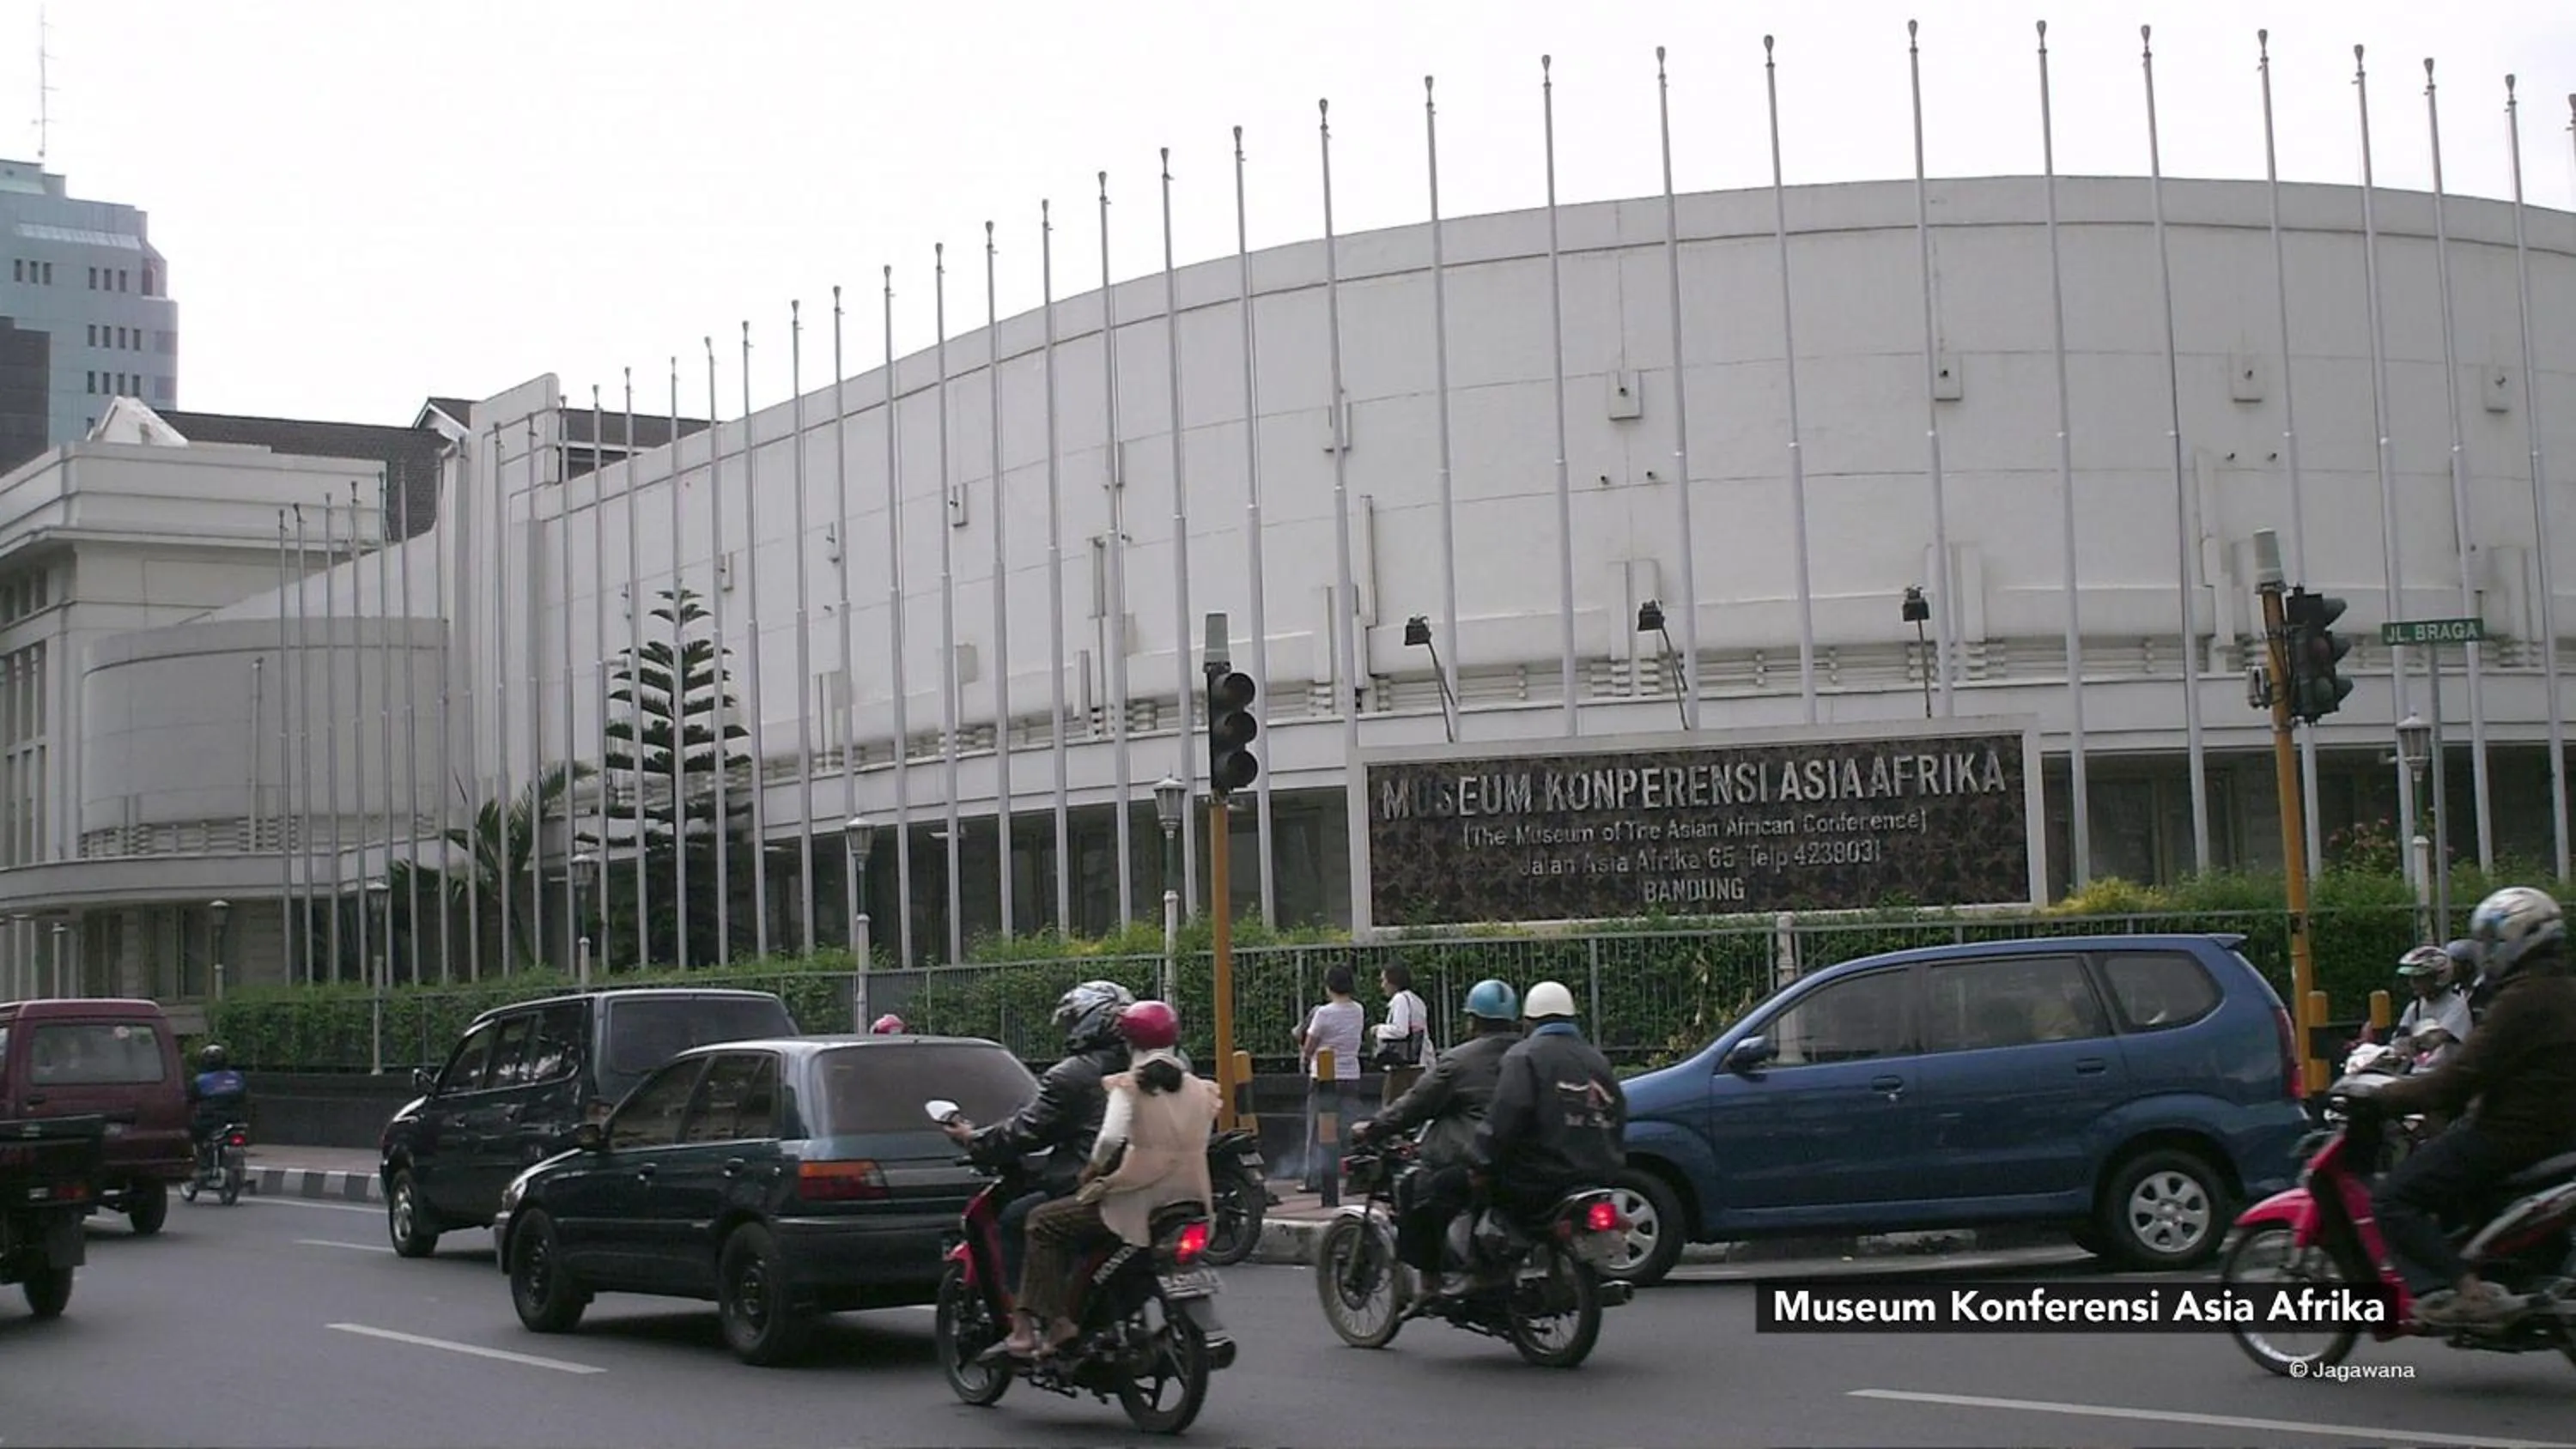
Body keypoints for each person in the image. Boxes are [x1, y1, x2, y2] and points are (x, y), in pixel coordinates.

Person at [2367, 886, 2576, 1327]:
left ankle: (2460, 1291)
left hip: (2508, 1134)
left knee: (2394, 1197)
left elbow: (2459, 1078)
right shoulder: (2563, 991)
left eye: (2490, 943)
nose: (2485, 954)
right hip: (2557, 1134)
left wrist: (2384, 1097)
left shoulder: (2521, 1001)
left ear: (2515, 941)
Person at [999, 1000, 1220, 1359]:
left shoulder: (1127, 1086)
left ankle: (1053, 1325)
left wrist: (1094, 1170)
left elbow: (1109, 1140)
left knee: (1042, 1221)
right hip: (1191, 1196)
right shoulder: (1202, 1089)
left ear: (1127, 1042)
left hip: (1136, 1200)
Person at [941, 979, 1133, 1296]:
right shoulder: (1161, 1066)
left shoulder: (1072, 1075)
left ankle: (1031, 1319)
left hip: (1093, 1187)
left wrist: (973, 1139)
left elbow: (1028, 1130)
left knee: (1017, 1220)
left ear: (1091, 1021)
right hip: (1154, 1186)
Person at [1350, 979, 1521, 1288]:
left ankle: (1431, 1281)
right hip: (1525, 1159)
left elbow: (1415, 1105)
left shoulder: (1460, 1060)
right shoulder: (1528, 1054)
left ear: (1473, 1020)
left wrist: (1374, 1128)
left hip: (1478, 1159)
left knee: (1419, 1189)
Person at [1466, 979, 1628, 1244]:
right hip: (1599, 1178)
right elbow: (1619, 1114)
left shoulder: (1524, 1056)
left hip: (1541, 1181)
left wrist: (1480, 1158)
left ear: (1529, 1020)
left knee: (1478, 1200)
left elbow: (1506, 1115)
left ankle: (1493, 1268)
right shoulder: (1597, 1060)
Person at [1294, 964, 1364, 1191]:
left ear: (1329, 986)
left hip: (1324, 1079)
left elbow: (1309, 1046)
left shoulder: (1323, 1013)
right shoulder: (1358, 1010)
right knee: (1350, 1128)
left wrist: (1304, 1050)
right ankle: (1357, 1176)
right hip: (1351, 1074)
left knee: (1317, 1131)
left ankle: (1314, 1179)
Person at [2391, 945, 2473, 1069]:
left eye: (2420, 978)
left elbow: (2435, 1038)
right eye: (2412, 978)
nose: (2413, 983)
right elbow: (2400, 1038)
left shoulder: (2456, 1005)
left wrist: (2412, 1044)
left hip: (2448, 1073)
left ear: (2439, 977)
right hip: (2419, 1072)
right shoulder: (2415, 1007)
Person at [1370, 964, 1437, 1105]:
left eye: (1384, 980)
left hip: (1403, 1067)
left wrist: (1378, 1029)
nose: (1382, 985)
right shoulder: (1416, 1000)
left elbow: (1401, 1030)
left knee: (1391, 1109)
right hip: (1420, 1062)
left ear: (1393, 981)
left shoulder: (1400, 1000)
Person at [185, 1044, 250, 1171]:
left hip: (211, 1121)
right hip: (236, 1118)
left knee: (196, 1134)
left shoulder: (200, 1080)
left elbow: (190, 1100)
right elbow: (246, 1098)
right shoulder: (236, 1077)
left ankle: (204, 1163)